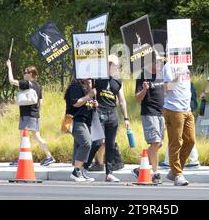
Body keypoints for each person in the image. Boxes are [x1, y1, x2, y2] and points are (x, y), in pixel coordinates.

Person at [82, 55, 130, 182]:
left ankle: (109, 173)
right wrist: (91, 95)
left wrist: (126, 118)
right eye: (109, 64)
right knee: (97, 142)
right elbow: (89, 88)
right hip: (99, 111)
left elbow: (122, 100)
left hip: (112, 113)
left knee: (110, 144)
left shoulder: (118, 80)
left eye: (113, 64)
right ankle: (84, 168)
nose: (111, 66)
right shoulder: (97, 77)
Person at [6, 60, 55, 166]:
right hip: (35, 114)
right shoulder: (37, 85)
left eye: (25, 72)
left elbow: (11, 81)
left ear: (31, 74)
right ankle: (49, 156)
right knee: (37, 136)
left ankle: (21, 159)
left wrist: (9, 67)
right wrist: (36, 112)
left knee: (23, 136)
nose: (24, 74)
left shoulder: (27, 84)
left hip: (27, 114)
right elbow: (40, 101)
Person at [133, 52, 165, 183]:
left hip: (161, 114)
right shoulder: (142, 76)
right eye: (155, 61)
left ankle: (141, 167)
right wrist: (144, 90)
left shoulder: (161, 74)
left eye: (159, 61)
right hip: (149, 113)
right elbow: (137, 98)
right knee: (155, 142)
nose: (158, 63)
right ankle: (156, 173)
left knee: (159, 144)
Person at [163, 61, 196, 186]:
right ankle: (177, 174)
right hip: (174, 109)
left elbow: (186, 84)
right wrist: (177, 77)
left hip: (186, 109)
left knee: (190, 140)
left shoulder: (185, 65)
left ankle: (175, 170)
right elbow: (166, 88)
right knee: (176, 142)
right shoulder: (168, 66)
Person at [65, 78, 96, 182]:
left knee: (79, 145)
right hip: (76, 120)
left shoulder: (85, 87)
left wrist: (93, 103)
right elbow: (76, 103)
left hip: (85, 121)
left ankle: (80, 170)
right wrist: (89, 96)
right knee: (86, 143)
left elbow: (86, 105)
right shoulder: (75, 87)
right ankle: (76, 171)